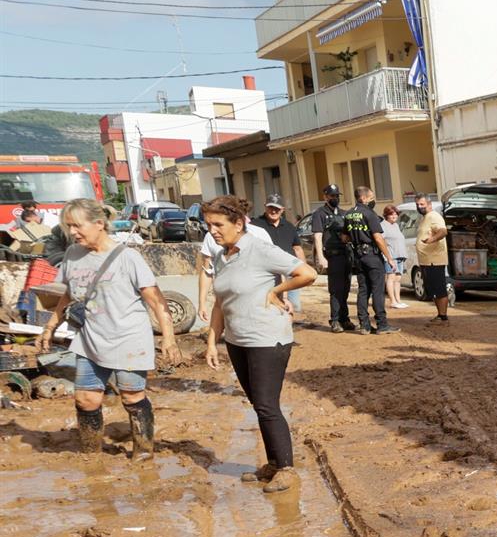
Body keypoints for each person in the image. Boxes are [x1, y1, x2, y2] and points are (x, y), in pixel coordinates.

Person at [34, 197, 180, 456]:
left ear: (99, 223)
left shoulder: (128, 258)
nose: (73, 232)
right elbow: (68, 294)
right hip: (90, 339)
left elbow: (157, 301)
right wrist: (50, 327)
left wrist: (168, 339)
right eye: (69, 226)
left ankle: (143, 451)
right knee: (85, 399)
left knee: (131, 398)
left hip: (128, 339)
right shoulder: (72, 254)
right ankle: (91, 452)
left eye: (78, 226)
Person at [202, 195, 316, 491]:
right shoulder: (221, 256)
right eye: (208, 225)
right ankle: (275, 463)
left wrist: (278, 290)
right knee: (258, 404)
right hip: (237, 341)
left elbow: (307, 273)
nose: (212, 230)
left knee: (267, 405)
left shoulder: (259, 248)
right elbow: (219, 303)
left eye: (218, 224)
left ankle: (287, 470)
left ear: (238, 223)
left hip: (267, 338)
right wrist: (212, 341)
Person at [197, 211, 272, 324]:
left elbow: (275, 267)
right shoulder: (211, 236)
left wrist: (282, 295)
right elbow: (207, 270)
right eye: (209, 225)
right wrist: (202, 303)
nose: (213, 230)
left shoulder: (259, 233)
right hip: (227, 300)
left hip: (258, 301)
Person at [347, 185, 394, 334]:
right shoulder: (369, 214)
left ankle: (364, 325)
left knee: (363, 291)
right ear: (364, 198)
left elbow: (344, 237)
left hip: (358, 256)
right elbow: (378, 238)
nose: (373, 201)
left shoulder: (348, 214)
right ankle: (382, 324)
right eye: (372, 198)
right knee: (377, 290)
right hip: (372, 256)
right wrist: (389, 257)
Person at [307, 184, 352, 332]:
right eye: (332, 196)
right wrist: (320, 257)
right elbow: (318, 236)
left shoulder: (343, 213)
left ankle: (345, 319)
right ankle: (335, 320)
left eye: (337, 196)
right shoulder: (319, 214)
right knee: (336, 289)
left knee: (345, 288)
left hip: (345, 254)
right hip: (332, 256)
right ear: (325, 197)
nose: (335, 198)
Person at [257, 193, 308, 321]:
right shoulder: (256, 226)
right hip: (268, 275)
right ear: (265, 207)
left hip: (289, 273)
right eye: (270, 207)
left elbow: (297, 248)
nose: (273, 211)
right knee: (269, 307)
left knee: (291, 305)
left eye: (277, 208)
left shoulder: (289, 227)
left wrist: (304, 268)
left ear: (283, 210)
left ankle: (287, 333)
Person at [412, 190, 451, 323]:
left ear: (429, 204)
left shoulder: (434, 216)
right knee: (433, 290)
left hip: (435, 260)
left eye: (422, 204)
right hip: (426, 261)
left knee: (439, 289)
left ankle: (443, 316)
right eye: (417, 204)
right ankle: (439, 314)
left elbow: (443, 231)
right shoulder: (425, 218)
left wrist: (432, 239)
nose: (419, 207)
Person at [379, 204, 410, 310]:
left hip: (400, 256)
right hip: (391, 256)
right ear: (386, 215)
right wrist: (388, 257)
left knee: (398, 278)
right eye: (391, 214)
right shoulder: (383, 225)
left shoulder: (396, 225)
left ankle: (398, 300)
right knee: (391, 278)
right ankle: (392, 301)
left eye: (396, 214)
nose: (394, 216)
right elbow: (381, 240)